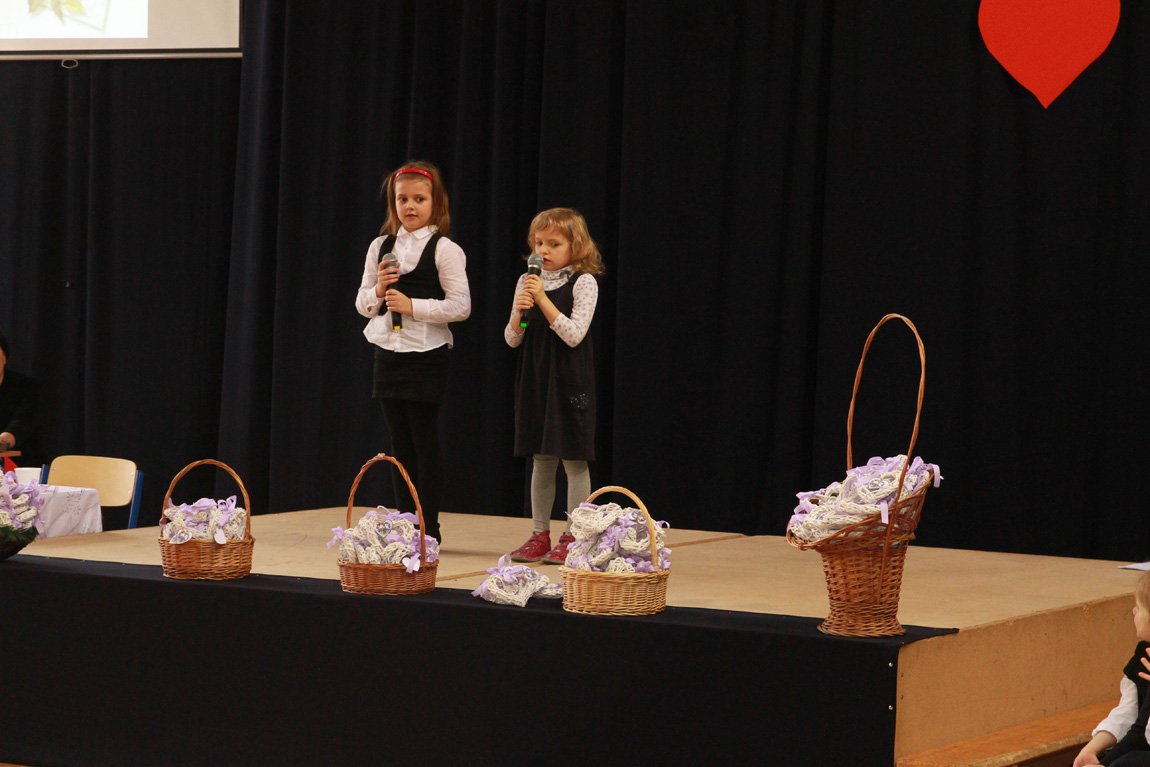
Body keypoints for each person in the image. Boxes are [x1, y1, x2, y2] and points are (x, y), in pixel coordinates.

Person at [355, 161, 470, 543]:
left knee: (423, 440)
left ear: (436, 204)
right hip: (388, 351)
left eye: (419, 199)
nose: (410, 206)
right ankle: (406, 524)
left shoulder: (445, 249)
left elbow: (461, 306)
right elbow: (362, 303)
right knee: (398, 443)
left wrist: (413, 306)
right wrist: (378, 290)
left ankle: (428, 526)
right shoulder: (380, 247)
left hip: (425, 353)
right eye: (402, 199)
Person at [505, 208, 604, 564]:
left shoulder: (584, 281)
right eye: (538, 243)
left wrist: (543, 301)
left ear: (575, 246)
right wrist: (519, 314)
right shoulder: (526, 281)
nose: (543, 250)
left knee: (573, 459)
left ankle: (575, 535)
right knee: (542, 459)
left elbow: (574, 335)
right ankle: (539, 534)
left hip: (569, 380)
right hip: (536, 379)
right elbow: (513, 339)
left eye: (554, 244)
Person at [1073, 571, 1150, 766]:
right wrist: (1091, 749)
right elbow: (1127, 712)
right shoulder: (1142, 657)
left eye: (1139, 607)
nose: (1134, 612)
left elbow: (1143, 733)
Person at [0, 328, 45, 468]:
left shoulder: (26, 386)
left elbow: (23, 421)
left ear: (5, 356)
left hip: (22, 465)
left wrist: (3, 441)